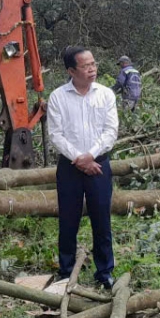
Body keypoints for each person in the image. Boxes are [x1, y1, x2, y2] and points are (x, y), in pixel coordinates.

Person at [47, 46, 119, 288]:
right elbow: (56, 135)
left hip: (99, 164)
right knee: (68, 220)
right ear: (71, 70)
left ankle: (105, 272)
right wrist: (79, 158)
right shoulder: (58, 97)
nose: (92, 69)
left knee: (102, 219)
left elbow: (111, 131)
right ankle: (66, 272)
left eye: (93, 64)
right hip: (69, 167)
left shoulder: (106, 94)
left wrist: (90, 156)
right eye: (85, 66)